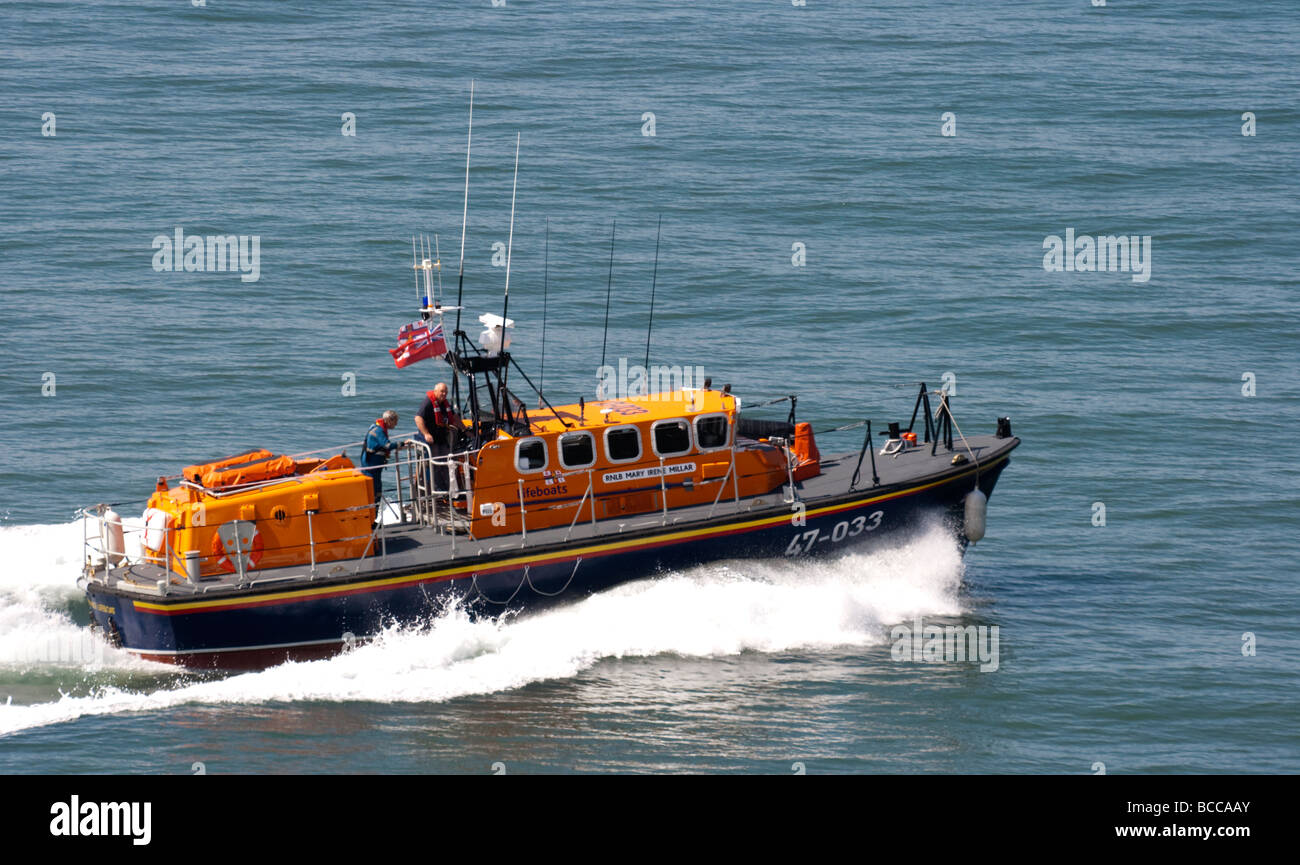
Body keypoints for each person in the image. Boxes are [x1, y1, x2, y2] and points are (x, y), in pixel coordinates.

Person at [415, 382, 458, 494]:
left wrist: (465, 430)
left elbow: (453, 416)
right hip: (431, 440)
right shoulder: (428, 403)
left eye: (446, 392)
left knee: (447, 462)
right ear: (435, 391)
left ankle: (448, 488)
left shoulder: (444, 403)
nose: (444, 394)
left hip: (441, 438)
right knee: (435, 464)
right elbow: (418, 418)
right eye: (442, 391)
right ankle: (438, 491)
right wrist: (426, 434)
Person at [360, 410, 399, 503]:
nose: (396, 424)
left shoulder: (375, 427)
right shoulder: (379, 431)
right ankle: (374, 513)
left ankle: (374, 513)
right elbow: (387, 445)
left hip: (371, 466)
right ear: (389, 420)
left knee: (376, 492)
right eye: (395, 421)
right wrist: (401, 444)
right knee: (375, 492)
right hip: (371, 468)